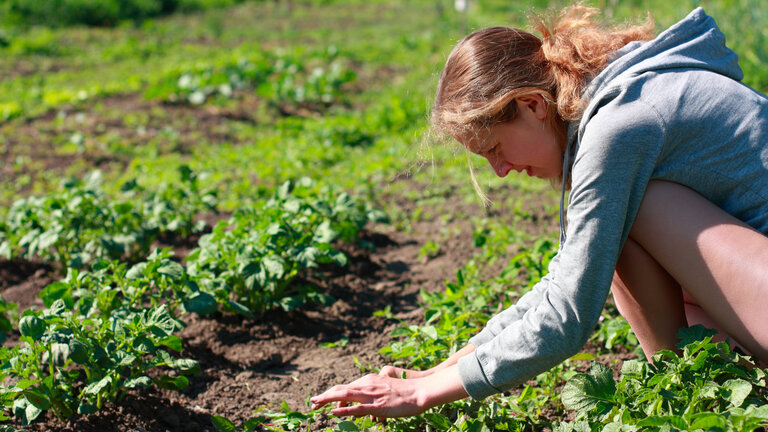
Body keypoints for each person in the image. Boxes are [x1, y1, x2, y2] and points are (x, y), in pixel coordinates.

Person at [311, 3, 768, 418]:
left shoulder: (620, 127)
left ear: (531, 104)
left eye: (495, 149)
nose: (500, 171)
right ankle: (694, 392)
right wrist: (436, 372)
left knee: (639, 210)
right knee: (617, 231)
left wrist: (422, 395)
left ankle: (689, 401)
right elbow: (564, 281)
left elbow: (568, 311)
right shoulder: (612, 101)